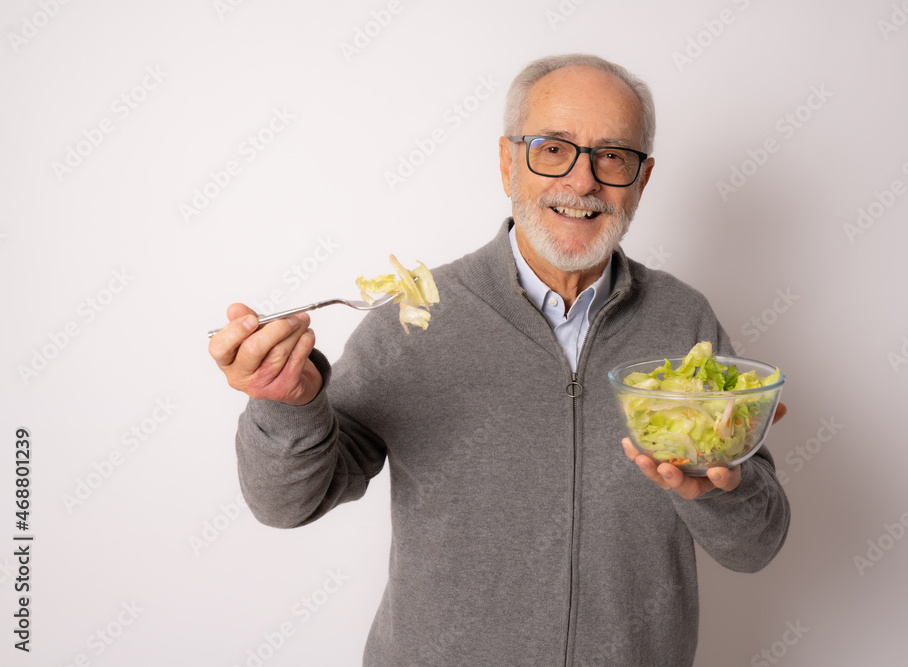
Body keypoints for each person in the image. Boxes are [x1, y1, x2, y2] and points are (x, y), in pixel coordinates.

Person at [209, 53, 790, 666]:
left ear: (642, 181)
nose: (583, 181)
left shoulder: (684, 324)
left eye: (612, 156)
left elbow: (756, 546)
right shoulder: (412, 322)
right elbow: (287, 504)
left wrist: (721, 486)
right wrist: (287, 403)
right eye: (552, 148)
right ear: (508, 162)